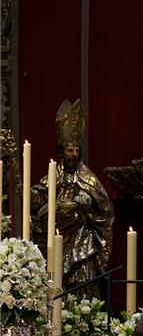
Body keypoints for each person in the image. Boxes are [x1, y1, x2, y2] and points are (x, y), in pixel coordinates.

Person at [32, 99, 114, 290]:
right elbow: (39, 194)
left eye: (77, 150)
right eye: (70, 150)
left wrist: (81, 202)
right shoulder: (55, 174)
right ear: (62, 151)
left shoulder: (86, 176)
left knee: (83, 275)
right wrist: (34, 195)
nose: (74, 154)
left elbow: (102, 203)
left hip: (80, 236)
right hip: (56, 235)